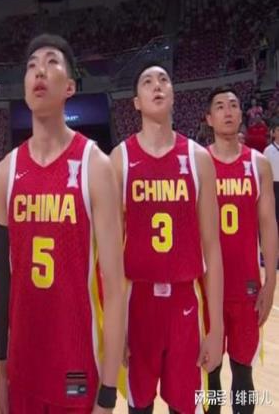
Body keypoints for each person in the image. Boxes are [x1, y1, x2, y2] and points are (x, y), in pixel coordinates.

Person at [0, 33, 126, 413]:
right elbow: (2, 279)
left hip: (76, 363)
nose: (40, 71)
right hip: (22, 367)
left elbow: (115, 287)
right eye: (32, 66)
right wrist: (1, 373)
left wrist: (108, 392)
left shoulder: (95, 166)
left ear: (69, 87)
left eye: (51, 62)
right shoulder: (6, 171)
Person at [110, 62, 224, 414]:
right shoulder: (119, 160)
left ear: (173, 95)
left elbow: (212, 248)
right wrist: (115, 326)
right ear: (136, 102)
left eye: (163, 80)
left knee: (185, 407)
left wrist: (216, 326)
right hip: (138, 302)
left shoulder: (198, 159)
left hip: (185, 303)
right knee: (139, 406)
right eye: (147, 82)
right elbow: (109, 257)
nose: (157, 85)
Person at [205, 86, 277, 413]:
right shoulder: (199, 163)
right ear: (209, 118)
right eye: (220, 106)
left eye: (234, 105)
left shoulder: (258, 164)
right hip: (207, 286)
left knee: (243, 372)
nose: (228, 111)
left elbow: (268, 226)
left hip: (246, 285)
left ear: (241, 114)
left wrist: (270, 282)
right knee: (210, 373)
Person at [263, 123, 279, 226]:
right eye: (278, 130)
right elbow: (264, 170)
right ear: (273, 133)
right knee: (275, 212)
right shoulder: (268, 150)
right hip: (273, 184)